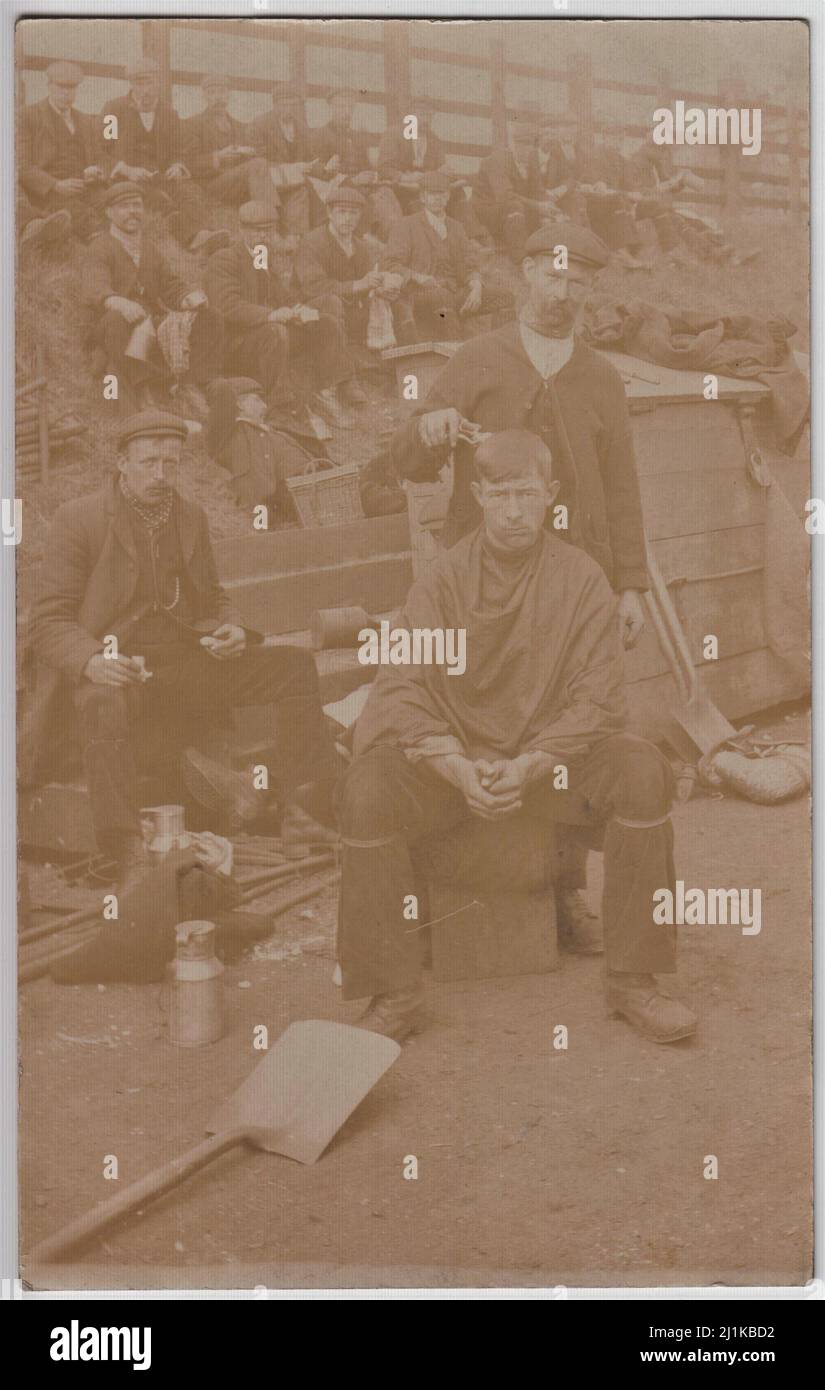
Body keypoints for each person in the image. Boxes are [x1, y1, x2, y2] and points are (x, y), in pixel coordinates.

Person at [336, 429, 696, 1046]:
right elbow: (401, 688)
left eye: (525, 495)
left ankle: (634, 980)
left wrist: (531, 762)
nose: (511, 511)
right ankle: (393, 993)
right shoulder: (443, 580)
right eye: (499, 494)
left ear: (549, 495)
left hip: (549, 770)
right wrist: (454, 765)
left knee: (642, 771)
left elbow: (600, 701)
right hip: (459, 776)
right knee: (367, 787)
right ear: (477, 495)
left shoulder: (581, 578)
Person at [26, 411, 341, 890]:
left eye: (170, 464)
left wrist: (231, 627)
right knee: (99, 704)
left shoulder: (190, 517)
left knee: (294, 667)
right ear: (121, 463)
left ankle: (301, 814)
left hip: (185, 669)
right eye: (149, 462)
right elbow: (48, 621)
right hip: (120, 675)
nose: (160, 475)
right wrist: (92, 660)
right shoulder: (80, 520)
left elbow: (213, 596)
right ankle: (125, 847)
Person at [204, 199, 361, 423]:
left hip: (267, 334)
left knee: (325, 322)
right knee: (276, 331)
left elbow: (278, 293)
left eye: (268, 231)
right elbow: (227, 306)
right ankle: (281, 403)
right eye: (257, 231)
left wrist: (297, 309)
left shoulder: (262, 256)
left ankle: (329, 390)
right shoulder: (225, 259)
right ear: (241, 230)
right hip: (236, 344)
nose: (263, 237)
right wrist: (272, 314)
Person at [81, 182, 220, 412]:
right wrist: (119, 302)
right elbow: (96, 288)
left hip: (149, 322)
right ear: (109, 213)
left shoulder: (149, 248)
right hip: (110, 325)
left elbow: (170, 285)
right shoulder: (100, 247)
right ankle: (143, 387)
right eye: (124, 206)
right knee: (117, 320)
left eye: (137, 205)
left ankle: (192, 382)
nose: (133, 211)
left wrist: (187, 297)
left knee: (209, 316)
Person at [97, 57, 228, 256]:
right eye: (139, 84)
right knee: (161, 201)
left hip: (161, 175)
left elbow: (179, 150)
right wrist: (127, 169)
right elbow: (102, 151)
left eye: (150, 83)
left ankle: (206, 234)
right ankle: (193, 239)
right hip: (128, 178)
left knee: (188, 192)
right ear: (131, 85)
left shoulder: (168, 113)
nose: (146, 90)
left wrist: (177, 165)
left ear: (157, 83)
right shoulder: (114, 111)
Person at [381, 170, 512, 342]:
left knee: (506, 297)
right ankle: (454, 355)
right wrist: (417, 276)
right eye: (432, 194)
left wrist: (476, 287)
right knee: (442, 298)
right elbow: (389, 263)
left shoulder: (456, 227)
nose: (437, 198)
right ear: (422, 197)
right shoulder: (407, 225)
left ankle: (501, 350)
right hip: (420, 294)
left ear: (448, 196)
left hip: (453, 292)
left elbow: (468, 265)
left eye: (441, 194)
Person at [293, 185, 380, 371]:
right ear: (329, 213)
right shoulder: (312, 241)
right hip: (310, 307)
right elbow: (313, 287)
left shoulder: (360, 246)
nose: (348, 218)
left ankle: (384, 359)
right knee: (332, 302)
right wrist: (358, 285)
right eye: (341, 212)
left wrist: (380, 284)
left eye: (353, 213)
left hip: (349, 308)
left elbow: (368, 279)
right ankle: (343, 368)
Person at [19, 60, 106, 239]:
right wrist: (55, 185)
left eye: (72, 88)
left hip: (84, 186)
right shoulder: (28, 116)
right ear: (49, 86)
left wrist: (96, 171)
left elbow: (99, 156)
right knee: (81, 215)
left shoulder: (84, 120)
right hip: (50, 190)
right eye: (61, 87)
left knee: (114, 203)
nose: (67, 93)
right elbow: (22, 165)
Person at [473, 113, 559, 261]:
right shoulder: (496, 160)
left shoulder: (531, 158)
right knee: (514, 207)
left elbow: (537, 190)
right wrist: (538, 206)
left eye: (532, 145)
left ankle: (553, 257)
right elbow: (505, 197)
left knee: (552, 213)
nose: (527, 150)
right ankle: (520, 259)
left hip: (517, 208)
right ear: (513, 144)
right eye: (522, 144)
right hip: (488, 212)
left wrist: (548, 204)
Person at [205, 376, 295, 516]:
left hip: (304, 495)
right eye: (257, 400)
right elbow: (221, 389)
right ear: (239, 404)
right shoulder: (228, 434)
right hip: (262, 515)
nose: (265, 406)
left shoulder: (272, 430)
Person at [182, 73, 273, 207]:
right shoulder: (192, 124)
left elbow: (255, 158)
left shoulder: (241, 127)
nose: (218, 97)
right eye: (212, 93)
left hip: (237, 183)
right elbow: (189, 163)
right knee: (259, 165)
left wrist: (251, 152)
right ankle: (269, 216)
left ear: (229, 95)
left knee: (265, 167)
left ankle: (270, 216)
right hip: (211, 185)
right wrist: (218, 157)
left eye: (222, 92)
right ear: (204, 96)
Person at [249, 79, 318, 237]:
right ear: (275, 105)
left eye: (293, 105)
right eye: (284, 105)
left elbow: (311, 158)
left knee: (301, 190)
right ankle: (273, 227)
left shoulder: (302, 127)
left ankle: (297, 238)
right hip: (269, 182)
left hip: (294, 182)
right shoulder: (260, 125)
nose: (289, 109)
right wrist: (292, 168)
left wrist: (326, 168)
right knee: (300, 188)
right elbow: (258, 161)